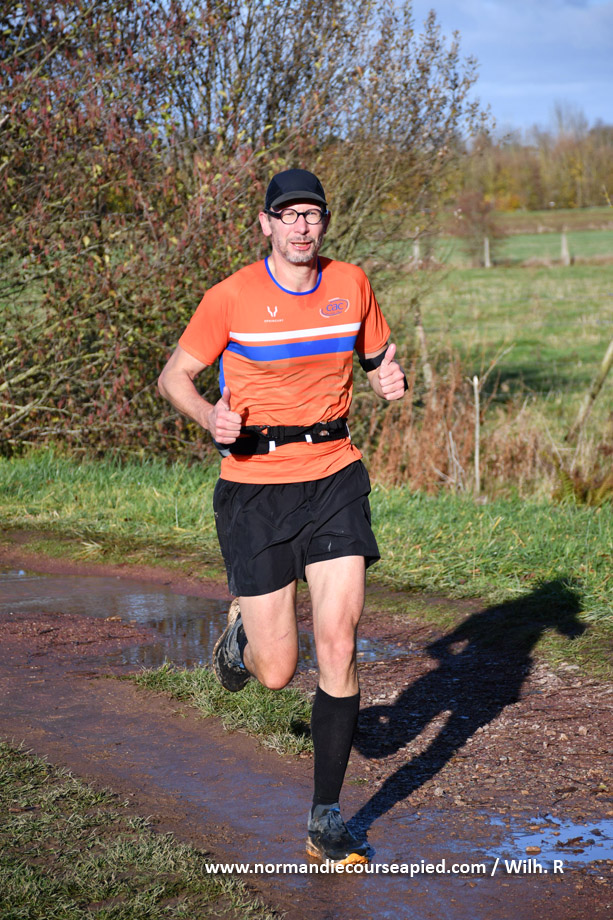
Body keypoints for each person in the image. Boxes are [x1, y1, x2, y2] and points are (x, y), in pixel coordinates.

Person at [158, 168, 406, 865]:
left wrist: (391, 377)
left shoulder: (351, 283)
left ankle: (325, 819)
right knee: (275, 671)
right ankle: (240, 637)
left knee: (339, 640)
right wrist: (209, 415)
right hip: (255, 488)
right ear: (265, 223)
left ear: (324, 223)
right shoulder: (230, 297)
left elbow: (378, 358)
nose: (301, 225)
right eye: (288, 214)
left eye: (312, 214)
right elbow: (173, 376)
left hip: (334, 476)